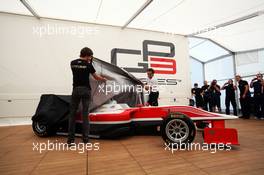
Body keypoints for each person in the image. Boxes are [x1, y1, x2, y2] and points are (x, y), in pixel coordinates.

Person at [68, 47, 107, 145]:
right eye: (90, 56)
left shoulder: (72, 63)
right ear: (87, 55)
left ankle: (70, 140)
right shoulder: (89, 65)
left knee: (72, 115)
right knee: (85, 115)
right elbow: (96, 77)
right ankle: (85, 139)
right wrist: (103, 79)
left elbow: (79, 68)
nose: (90, 58)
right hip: (86, 91)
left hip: (75, 90)